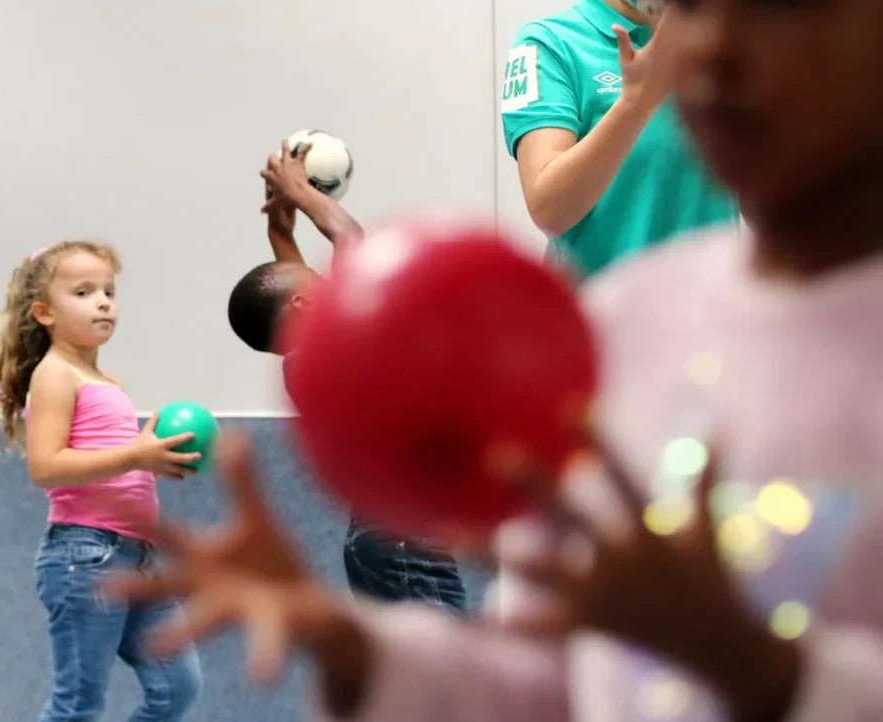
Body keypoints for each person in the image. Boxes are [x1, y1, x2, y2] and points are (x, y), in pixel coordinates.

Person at [108, 0, 883, 719]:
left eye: (780, 8)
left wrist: (758, 672)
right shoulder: (615, 329)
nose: (711, 45)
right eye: (695, 12)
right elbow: (546, 679)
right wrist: (350, 649)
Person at [226, 149, 469, 616]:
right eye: (316, 276)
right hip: (403, 541)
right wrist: (299, 191)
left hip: (379, 540)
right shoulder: (335, 345)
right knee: (453, 658)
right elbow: (350, 238)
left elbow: (287, 285)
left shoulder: (305, 360)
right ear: (301, 303)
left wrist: (280, 224)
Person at [0, 241, 204, 722]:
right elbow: (46, 466)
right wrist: (136, 455)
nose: (103, 302)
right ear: (44, 312)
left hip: (138, 557)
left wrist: (152, 463)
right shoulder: (54, 374)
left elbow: (111, 464)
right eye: (83, 292)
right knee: (77, 705)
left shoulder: (108, 382)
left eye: (108, 291)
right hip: (84, 556)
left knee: (178, 687)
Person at [503, 0, 737, 280]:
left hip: (713, 298)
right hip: (600, 299)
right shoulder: (549, 42)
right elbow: (548, 208)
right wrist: (635, 103)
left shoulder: (716, 39)